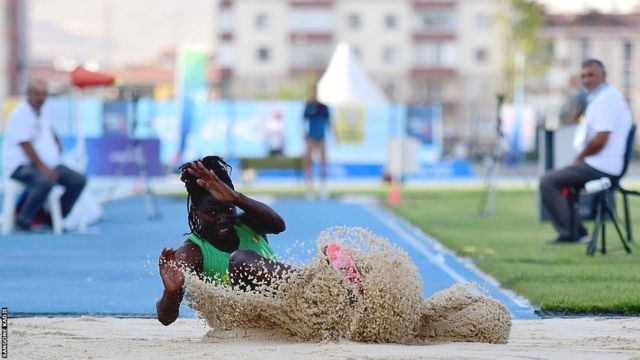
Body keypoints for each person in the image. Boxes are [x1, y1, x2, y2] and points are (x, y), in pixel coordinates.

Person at [156, 156, 364, 326]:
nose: (223, 219)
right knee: (240, 260)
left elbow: (279, 226)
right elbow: (166, 318)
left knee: (328, 252)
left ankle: (341, 294)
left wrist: (236, 198)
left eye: (228, 209)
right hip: (251, 325)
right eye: (211, 212)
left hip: (298, 309)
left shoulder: (248, 223)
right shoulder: (192, 252)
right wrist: (171, 294)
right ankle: (321, 284)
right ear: (196, 212)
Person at [540, 59, 632, 245]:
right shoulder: (603, 97)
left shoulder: (606, 99)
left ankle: (570, 233)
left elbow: (601, 139)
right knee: (560, 178)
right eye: (583, 76)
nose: (586, 79)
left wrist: (579, 158)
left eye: (591, 75)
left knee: (548, 181)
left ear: (603, 75)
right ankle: (577, 231)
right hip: (601, 163)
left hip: (601, 166)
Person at [1, 79, 86, 232]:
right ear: (28, 94)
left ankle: (52, 219)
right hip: (20, 166)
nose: (41, 98)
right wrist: (43, 168)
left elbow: (47, 126)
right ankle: (24, 219)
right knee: (44, 181)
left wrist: (56, 139)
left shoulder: (42, 109)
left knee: (78, 180)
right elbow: (25, 145)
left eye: (44, 94)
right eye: (38, 94)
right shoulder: (20, 114)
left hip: (47, 164)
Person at [302, 87, 331, 199]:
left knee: (324, 162)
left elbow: (329, 122)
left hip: (321, 137)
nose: (313, 94)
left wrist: (334, 137)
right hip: (310, 137)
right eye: (311, 92)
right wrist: (305, 136)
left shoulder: (323, 107)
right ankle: (310, 188)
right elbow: (303, 122)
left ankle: (323, 187)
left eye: (314, 92)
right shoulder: (308, 106)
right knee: (308, 162)